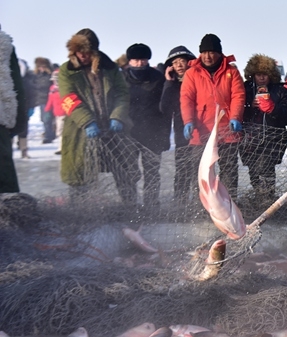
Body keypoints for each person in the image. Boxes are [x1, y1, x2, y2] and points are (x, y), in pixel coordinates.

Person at [58, 28, 138, 203]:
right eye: (79, 51)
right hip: (82, 131)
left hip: (113, 130)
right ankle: (81, 211)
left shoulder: (110, 68)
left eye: (87, 51)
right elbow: (68, 98)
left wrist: (117, 116)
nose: (83, 55)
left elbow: (122, 93)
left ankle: (130, 207)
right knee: (80, 174)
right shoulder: (67, 70)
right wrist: (87, 122)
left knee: (125, 170)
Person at [180, 33, 245, 193]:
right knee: (202, 171)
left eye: (212, 52)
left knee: (229, 170)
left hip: (227, 131)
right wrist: (188, 121)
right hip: (201, 131)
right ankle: (201, 207)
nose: (208, 56)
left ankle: (228, 204)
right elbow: (186, 98)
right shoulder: (192, 73)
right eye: (205, 52)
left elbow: (238, 95)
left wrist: (235, 117)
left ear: (219, 53)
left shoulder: (232, 71)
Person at [123, 43, 171, 207]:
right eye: (136, 60)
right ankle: (130, 204)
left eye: (143, 59)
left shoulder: (157, 78)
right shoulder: (122, 79)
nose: (139, 63)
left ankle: (151, 204)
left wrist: (164, 136)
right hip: (129, 133)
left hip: (152, 133)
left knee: (152, 171)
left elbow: (165, 109)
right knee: (129, 171)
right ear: (130, 61)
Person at [240, 54, 287, 200]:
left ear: (271, 75)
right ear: (253, 74)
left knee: (266, 170)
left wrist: (272, 109)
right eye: (258, 74)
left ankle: (267, 201)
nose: (262, 77)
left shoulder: (281, 91)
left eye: (265, 74)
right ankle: (260, 198)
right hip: (250, 140)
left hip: (272, 140)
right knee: (254, 173)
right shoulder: (246, 89)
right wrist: (250, 106)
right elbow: (236, 109)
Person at [160, 45, 197, 203]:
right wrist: (168, 82)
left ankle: (199, 203)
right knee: (181, 169)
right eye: (175, 63)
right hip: (181, 132)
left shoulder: (198, 80)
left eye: (182, 61)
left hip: (200, 130)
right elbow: (165, 108)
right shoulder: (172, 85)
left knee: (199, 170)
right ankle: (180, 203)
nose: (179, 65)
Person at [0, 24, 27, 193]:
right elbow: (17, 87)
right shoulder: (4, 47)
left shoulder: (5, 48)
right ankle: (10, 212)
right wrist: (18, 122)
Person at [28, 57, 56, 143]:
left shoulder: (50, 75)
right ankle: (49, 133)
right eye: (40, 66)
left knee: (48, 118)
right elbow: (32, 86)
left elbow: (49, 86)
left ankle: (49, 135)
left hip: (50, 99)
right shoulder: (35, 75)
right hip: (41, 100)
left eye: (43, 66)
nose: (42, 68)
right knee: (44, 119)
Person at [44, 68, 65, 155]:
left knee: (62, 131)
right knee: (59, 131)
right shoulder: (52, 89)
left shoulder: (65, 88)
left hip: (65, 113)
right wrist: (47, 110)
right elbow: (50, 100)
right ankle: (61, 147)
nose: (55, 81)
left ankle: (62, 148)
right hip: (57, 113)